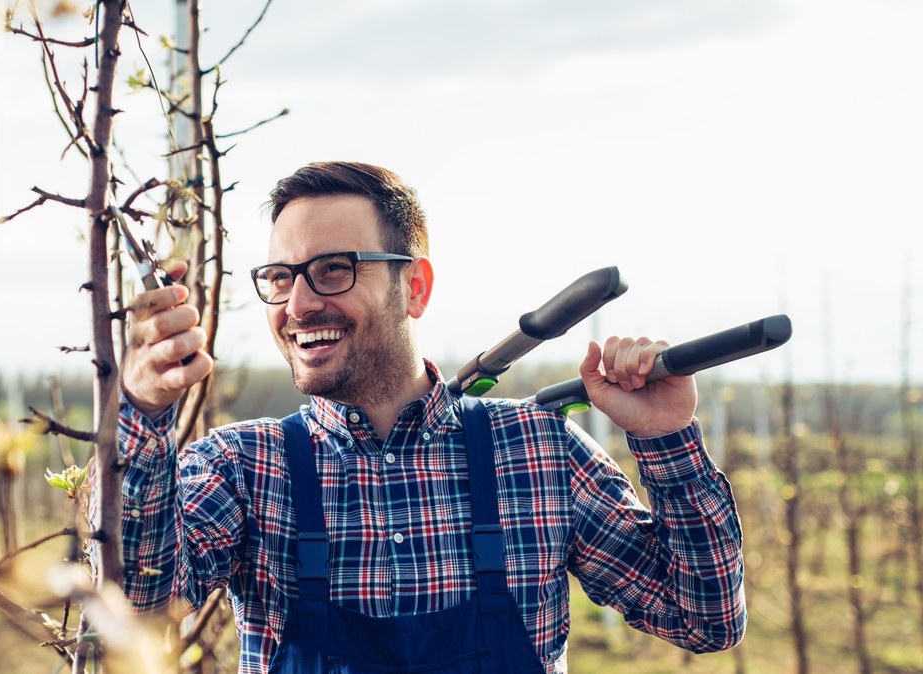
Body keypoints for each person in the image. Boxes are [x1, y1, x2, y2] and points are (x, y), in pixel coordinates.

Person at [107, 161, 746, 674]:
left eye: (333, 270)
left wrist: (667, 441)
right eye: (280, 277)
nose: (298, 304)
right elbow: (136, 612)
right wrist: (140, 413)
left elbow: (704, 619)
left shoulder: (539, 451)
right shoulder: (243, 469)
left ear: (414, 287)